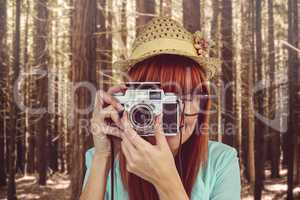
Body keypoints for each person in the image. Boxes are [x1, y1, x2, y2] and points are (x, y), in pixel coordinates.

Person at [80, 17, 241, 200]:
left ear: (202, 103)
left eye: (185, 96)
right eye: (155, 99)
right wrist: (103, 157)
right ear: (129, 101)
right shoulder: (102, 157)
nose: (167, 114)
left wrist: (166, 182)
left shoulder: (221, 161)